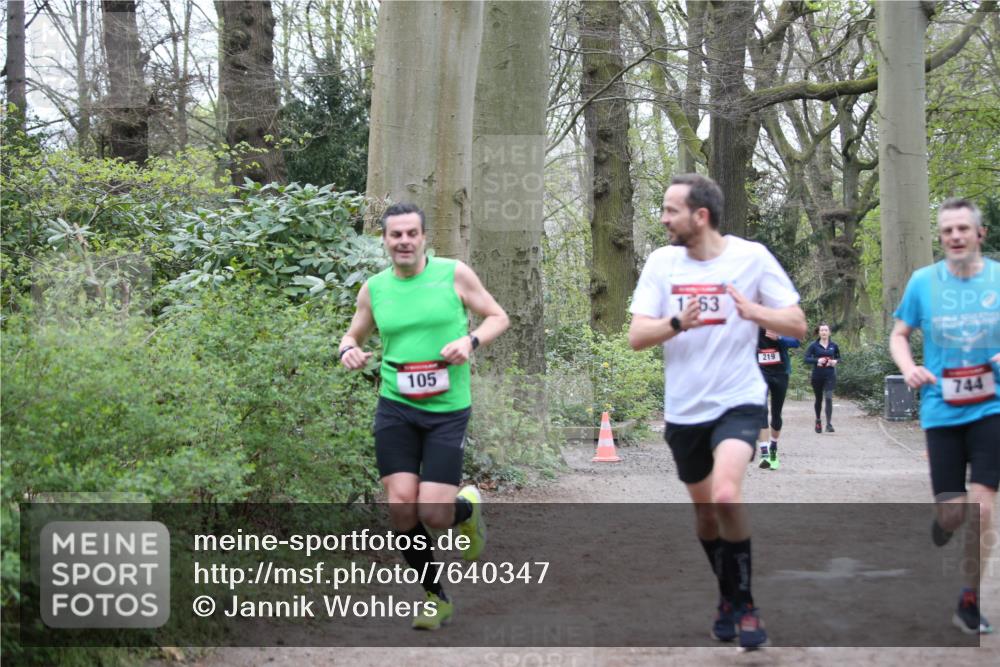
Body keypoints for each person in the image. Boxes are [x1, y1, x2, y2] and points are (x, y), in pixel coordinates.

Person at [628, 174, 806, 650]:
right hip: (685, 409)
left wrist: (757, 313)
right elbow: (637, 336)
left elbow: (797, 323)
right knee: (707, 515)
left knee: (727, 494)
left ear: (699, 216)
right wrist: (674, 322)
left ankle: (746, 607)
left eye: (670, 210)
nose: (663, 219)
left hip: (738, 399)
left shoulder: (751, 258)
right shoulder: (662, 264)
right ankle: (727, 596)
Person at [339, 202, 510, 630]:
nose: (404, 241)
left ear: (424, 237)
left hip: (446, 410)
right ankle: (436, 597)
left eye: (411, 233)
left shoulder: (453, 274)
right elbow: (352, 333)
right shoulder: (374, 289)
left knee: (434, 514)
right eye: (395, 235)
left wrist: (470, 342)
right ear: (384, 241)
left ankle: (466, 510)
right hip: (396, 405)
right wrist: (348, 350)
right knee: (401, 507)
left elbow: (497, 316)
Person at [889, 197, 999, 635]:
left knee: (984, 508)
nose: (954, 237)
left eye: (962, 229)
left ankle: (969, 598)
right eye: (947, 231)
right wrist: (908, 367)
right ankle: (943, 519)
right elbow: (899, 335)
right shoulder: (923, 282)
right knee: (954, 513)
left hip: (992, 407)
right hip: (941, 410)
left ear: (979, 234)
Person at [756, 328, 799, 470]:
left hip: (780, 373)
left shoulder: (781, 321)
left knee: (776, 414)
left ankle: (773, 448)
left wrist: (779, 338)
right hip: (760, 371)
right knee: (761, 410)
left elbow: (796, 341)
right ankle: (764, 454)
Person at [803, 323, 841, 433]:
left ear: (829, 332)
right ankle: (818, 420)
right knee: (819, 399)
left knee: (828, 397)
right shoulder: (813, 345)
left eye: (826, 330)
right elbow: (806, 359)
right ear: (819, 333)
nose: (824, 332)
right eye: (822, 330)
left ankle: (829, 424)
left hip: (830, 375)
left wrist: (835, 361)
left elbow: (839, 357)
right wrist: (817, 360)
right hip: (817, 375)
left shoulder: (834, 345)